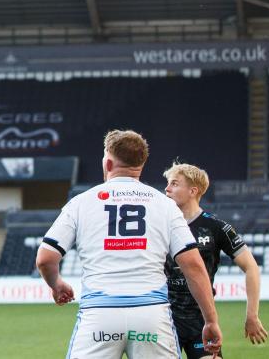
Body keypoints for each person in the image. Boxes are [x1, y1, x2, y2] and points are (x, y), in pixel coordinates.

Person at [35, 130, 223, 359]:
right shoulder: (164, 205)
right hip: (152, 315)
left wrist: (57, 284)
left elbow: (45, 259)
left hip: (100, 316)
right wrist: (210, 320)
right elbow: (193, 265)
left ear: (108, 162)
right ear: (141, 165)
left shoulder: (81, 203)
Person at [163, 162, 269, 358]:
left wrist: (252, 315)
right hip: (164, 321)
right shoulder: (159, 224)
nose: (167, 189)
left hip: (203, 321)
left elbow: (251, 267)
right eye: (168, 183)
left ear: (193, 191)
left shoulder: (216, 227)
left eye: (174, 184)